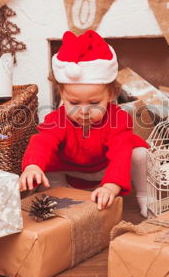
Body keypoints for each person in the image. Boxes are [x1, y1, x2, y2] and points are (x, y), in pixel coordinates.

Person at [19, 30, 149, 216]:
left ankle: (145, 197)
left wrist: (110, 187)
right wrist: (33, 166)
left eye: (94, 103)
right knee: (47, 161)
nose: (84, 111)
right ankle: (58, 196)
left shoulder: (117, 120)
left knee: (139, 153)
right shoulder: (58, 119)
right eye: (74, 103)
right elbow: (42, 142)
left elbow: (120, 154)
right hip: (71, 170)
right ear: (62, 95)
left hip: (105, 169)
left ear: (111, 95)